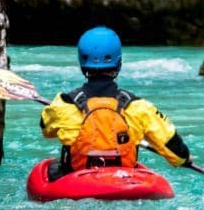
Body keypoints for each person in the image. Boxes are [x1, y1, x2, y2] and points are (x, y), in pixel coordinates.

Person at [40, 26, 192, 179]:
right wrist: (184, 158)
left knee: (53, 167)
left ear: (82, 62)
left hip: (77, 181)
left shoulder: (65, 103)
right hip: (123, 180)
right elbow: (170, 141)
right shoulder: (138, 106)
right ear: (118, 63)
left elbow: (46, 130)